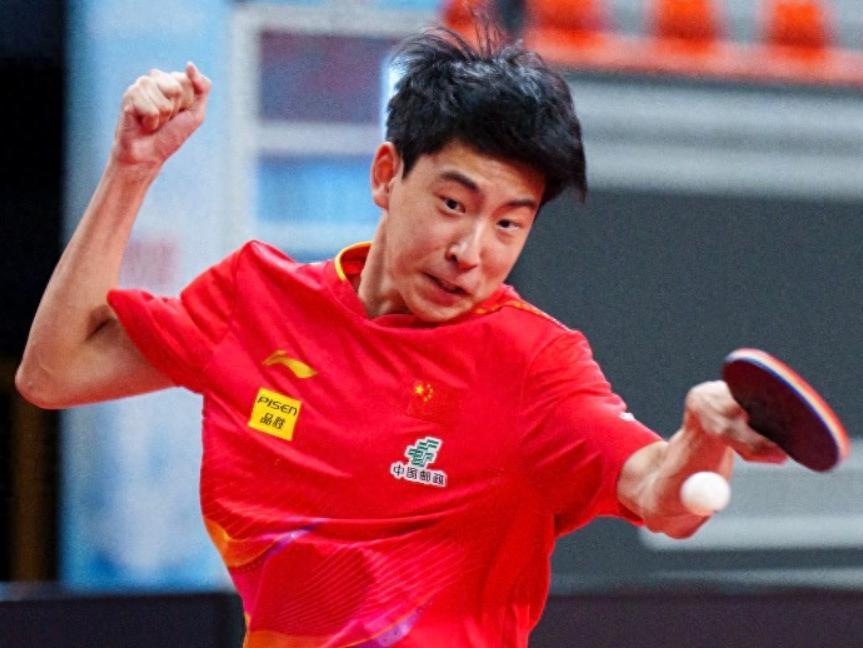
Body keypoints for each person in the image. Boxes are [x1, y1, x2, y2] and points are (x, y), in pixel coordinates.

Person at [17, 27, 786, 647]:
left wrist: (699, 438)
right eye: (453, 204)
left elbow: (661, 497)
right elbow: (53, 373)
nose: (470, 251)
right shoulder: (254, 303)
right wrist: (131, 170)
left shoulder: (534, 364)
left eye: (508, 224)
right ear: (387, 175)